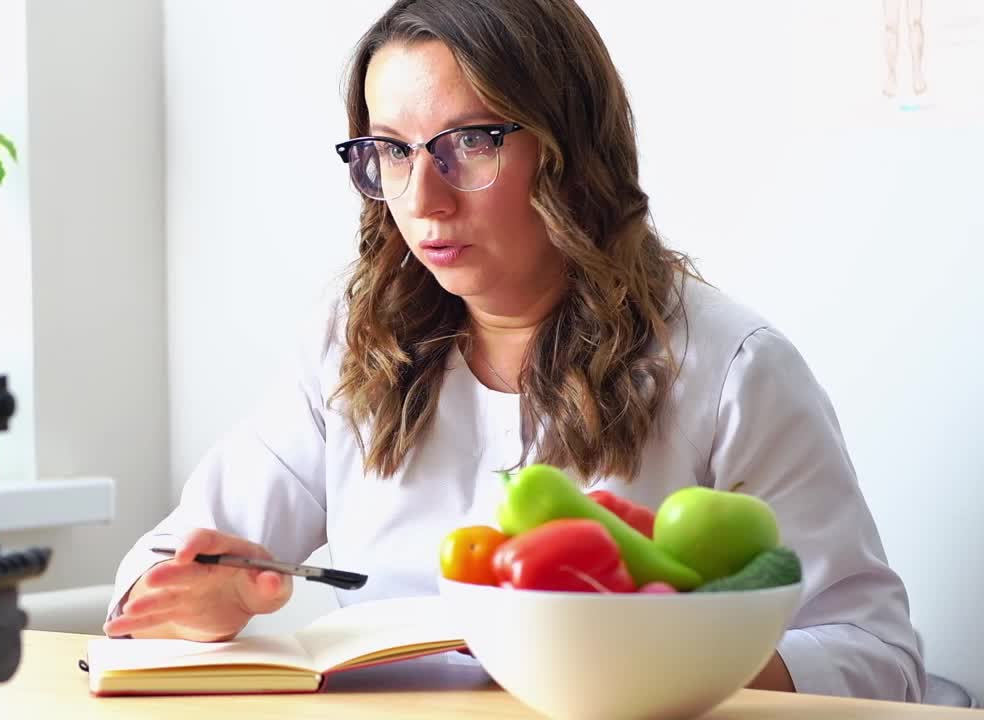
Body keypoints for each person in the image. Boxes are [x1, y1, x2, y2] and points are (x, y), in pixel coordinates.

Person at [104, 0, 926, 702]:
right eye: (390, 150)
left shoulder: (730, 367)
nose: (421, 200)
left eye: (469, 143)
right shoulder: (348, 348)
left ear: (569, 152)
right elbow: (155, 574)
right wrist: (190, 595)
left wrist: (664, 669)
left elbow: (878, 659)